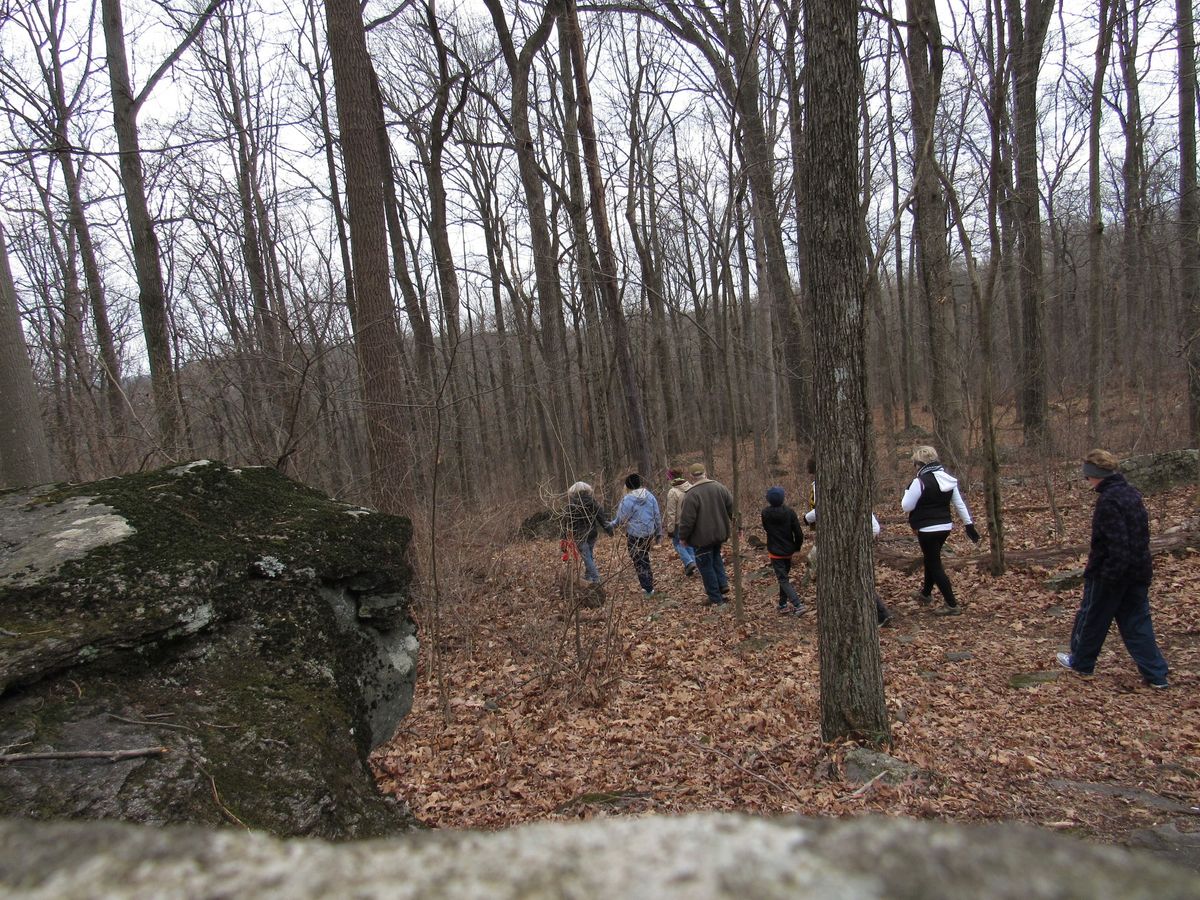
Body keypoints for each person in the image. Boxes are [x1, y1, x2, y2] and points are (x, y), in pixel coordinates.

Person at [1056, 449, 1169, 689]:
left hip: (1111, 575)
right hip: (1138, 571)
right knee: (1138, 624)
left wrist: (1108, 576)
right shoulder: (1131, 494)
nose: (1087, 481)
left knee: (1092, 619)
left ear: (1097, 475)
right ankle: (1156, 674)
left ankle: (1081, 663)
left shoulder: (1108, 501)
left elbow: (1117, 544)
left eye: (1088, 476)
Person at [803, 468, 891, 625]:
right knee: (851, 575)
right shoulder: (850, 481)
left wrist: (806, 518)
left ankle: (880, 614)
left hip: (852, 538)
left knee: (853, 576)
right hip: (858, 534)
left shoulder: (824, 485)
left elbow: (820, 508)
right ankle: (872, 613)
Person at [900, 446, 979, 616]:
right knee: (931, 559)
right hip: (945, 527)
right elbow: (959, 504)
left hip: (926, 529)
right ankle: (926, 594)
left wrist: (908, 491)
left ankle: (951, 604)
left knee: (935, 564)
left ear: (919, 464)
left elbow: (906, 506)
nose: (914, 467)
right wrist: (968, 524)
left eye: (914, 464)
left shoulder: (919, 482)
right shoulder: (948, 479)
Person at [678, 463, 734, 606]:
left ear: (691, 476)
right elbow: (732, 507)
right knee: (716, 558)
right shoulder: (720, 487)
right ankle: (722, 585)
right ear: (705, 473)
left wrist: (683, 537)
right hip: (720, 534)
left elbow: (687, 520)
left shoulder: (691, 494)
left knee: (705, 566)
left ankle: (715, 597)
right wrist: (738, 526)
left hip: (701, 539)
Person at [608, 473, 663, 597]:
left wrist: (609, 525)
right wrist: (658, 533)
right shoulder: (650, 496)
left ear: (627, 486)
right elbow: (657, 515)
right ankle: (649, 585)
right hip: (648, 533)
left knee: (638, 560)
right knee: (644, 557)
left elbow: (620, 519)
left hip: (634, 534)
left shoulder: (627, 500)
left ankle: (647, 588)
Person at [761, 486, 805, 615]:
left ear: (768, 500)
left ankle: (798, 604)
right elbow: (798, 533)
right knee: (783, 577)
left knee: (783, 579)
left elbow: (766, 529)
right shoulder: (790, 512)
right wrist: (797, 547)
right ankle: (782, 604)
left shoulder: (765, 513)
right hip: (788, 550)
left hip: (775, 551)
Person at [563, 482, 611, 584]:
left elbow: (565, 524)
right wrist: (609, 530)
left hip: (580, 536)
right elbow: (602, 518)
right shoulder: (593, 503)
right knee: (589, 556)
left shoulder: (571, 506)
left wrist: (564, 538)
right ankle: (588, 577)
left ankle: (596, 579)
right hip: (592, 534)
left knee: (587, 557)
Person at [664, 469, 697, 577]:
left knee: (678, 544)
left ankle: (689, 562)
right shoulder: (691, 487)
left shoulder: (673, 492)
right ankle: (693, 565)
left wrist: (670, 529)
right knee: (689, 543)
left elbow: (671, 513)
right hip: (692, 521)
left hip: (679, 523)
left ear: (671, 478)